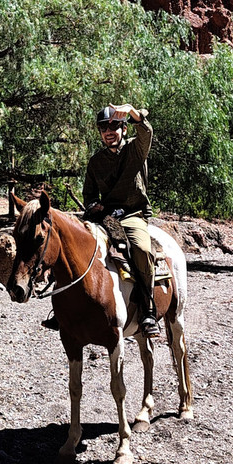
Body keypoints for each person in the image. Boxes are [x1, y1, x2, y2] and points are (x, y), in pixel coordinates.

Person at [82, 103, 159, 338]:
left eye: (115, 126)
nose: (109, 131)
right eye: (104, 127)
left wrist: (133, 112)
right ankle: (68, 308)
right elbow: (89, 195)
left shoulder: (136, 150)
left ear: (124, 129)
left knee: (142, 249)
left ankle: (148, 309)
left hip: (132, 215)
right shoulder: (96, 162)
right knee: (74, 244)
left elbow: (147, 132)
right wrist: (94, 206)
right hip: (105, 217)